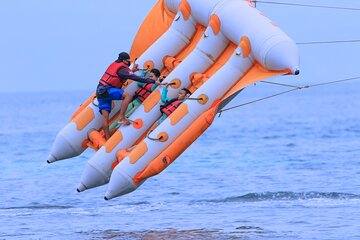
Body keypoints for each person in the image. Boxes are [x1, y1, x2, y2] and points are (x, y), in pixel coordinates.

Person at [96, 52, 160, 140]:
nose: (129, 62)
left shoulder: (116, 65)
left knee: (105, 117)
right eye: (128, 61)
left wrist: (132, 70)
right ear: (125, 61)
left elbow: (124, 74)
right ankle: (121, 118)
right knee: (127, 96)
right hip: (107, 90)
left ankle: (107, 138)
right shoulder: (122, 68)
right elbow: (134, 77)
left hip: (100, 91)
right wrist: (151, 81)